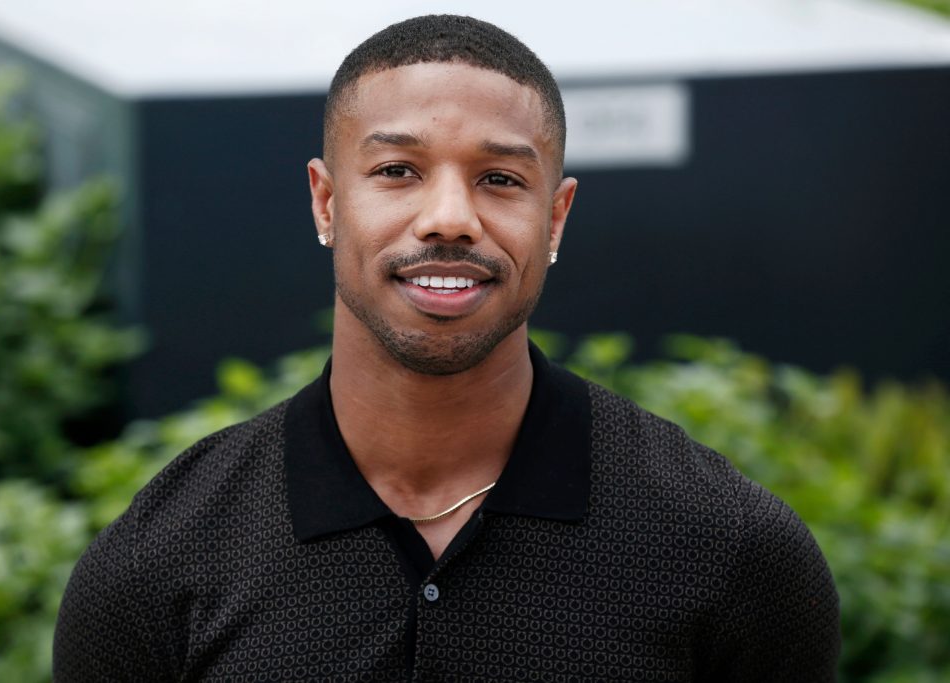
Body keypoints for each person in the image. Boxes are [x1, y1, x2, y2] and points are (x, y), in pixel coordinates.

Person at [53, 14, 840, 682]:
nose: (450, 218)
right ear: (327, 201)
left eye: (500, 179)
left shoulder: (733, 551)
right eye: (398, 170)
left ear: (556, 218)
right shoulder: (156, 562)